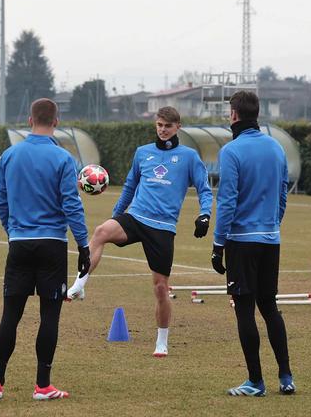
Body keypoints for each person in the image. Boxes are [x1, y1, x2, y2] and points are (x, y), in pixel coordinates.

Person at [65, 106, 213, 358]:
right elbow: (130, 187)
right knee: (102, 231)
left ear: (178, 126)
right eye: (159, 125)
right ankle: (79, 285)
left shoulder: (188, 156)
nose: (163, 130)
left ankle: (162, 341)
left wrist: (205, 214)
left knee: (160, 288)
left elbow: (205, 189)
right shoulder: (142, 153)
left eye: (168, 126)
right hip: (135, 217)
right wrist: (116, 215)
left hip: (163, 228)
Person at [0, 98, 90, 401]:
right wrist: (83, 244)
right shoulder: (63, 159)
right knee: (49, 316)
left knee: (10, 315)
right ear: (56, 122)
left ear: (30, 120)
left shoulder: (10, 155)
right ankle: (42, 385)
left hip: (19, 244)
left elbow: (0, 201)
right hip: (52, 246)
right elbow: (72, 204)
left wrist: (12, 230)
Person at [211, 91, 294, 397]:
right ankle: (286, 376)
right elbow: (282, 194)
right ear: (256, 113)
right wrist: (272, 223)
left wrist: (218, 245)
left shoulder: (232, 151)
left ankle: (255, 382)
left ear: (233, 115)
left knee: (244, 310)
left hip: (241, 242)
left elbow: (228, 201)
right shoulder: (276, 147)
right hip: (271, 239)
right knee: (270, 306)